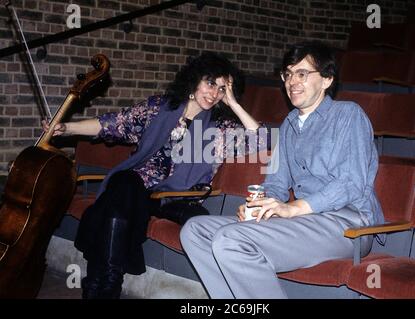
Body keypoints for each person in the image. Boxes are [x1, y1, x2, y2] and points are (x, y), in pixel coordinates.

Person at [44, 52, 267, 299]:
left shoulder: (219, 128)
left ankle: (98, 288)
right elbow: (112, 124)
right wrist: (65, 128)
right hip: (136, 187)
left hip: (173, 197)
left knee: (115, 200)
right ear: (194, 80)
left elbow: (262, 140)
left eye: (222, 88)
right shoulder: (159, 108)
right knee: (125, 184)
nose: (214, 93)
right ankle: (105, 288)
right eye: (210, 83)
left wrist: (234, 104)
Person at [180, 41, 385, 299]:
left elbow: (350, 184)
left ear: (326, 80)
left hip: (346, 225)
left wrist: (294, 208)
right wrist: (261, 205)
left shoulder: (349, 115)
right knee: (195, 231)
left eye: (302, 73)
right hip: (306, 221)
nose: (292, 82)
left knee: (231, 240)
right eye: (287, 74)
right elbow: (276, 182)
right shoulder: (289, 124)